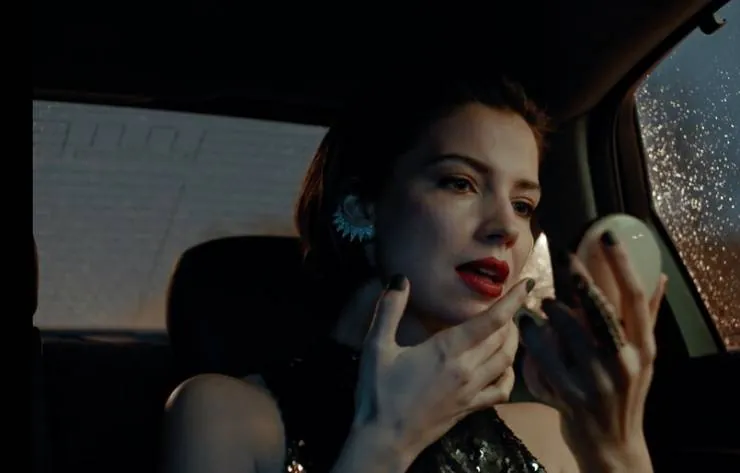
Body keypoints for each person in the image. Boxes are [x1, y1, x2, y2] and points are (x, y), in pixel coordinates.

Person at [161, 72, 668, 473]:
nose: (506, 229)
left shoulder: (552, 435)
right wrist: (384, 444)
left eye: (522, 204)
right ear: (364, 208)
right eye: (460, 183)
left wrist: (621, 450)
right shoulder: (224, 416)